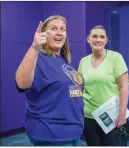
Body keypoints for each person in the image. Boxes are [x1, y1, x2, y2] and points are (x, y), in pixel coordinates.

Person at [15, 15, 84, 146]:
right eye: (53, 28)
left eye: (62, 29)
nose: (59, 32)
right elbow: (21, 84)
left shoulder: (64, 61)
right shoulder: (38, 58)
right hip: (51, 134)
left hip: (73, 131)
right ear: (43, 34)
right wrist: (34, 47)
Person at [78, 25, 129, 146]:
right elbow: (79, 87)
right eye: (94, 36)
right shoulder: (83, 61)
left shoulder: (115, 57)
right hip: (89, 116)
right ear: (88, 39)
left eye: (102, 37)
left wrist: (122, 114)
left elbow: (124, 88)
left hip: (111, 117)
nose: (98, 40)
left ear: (106, 40)